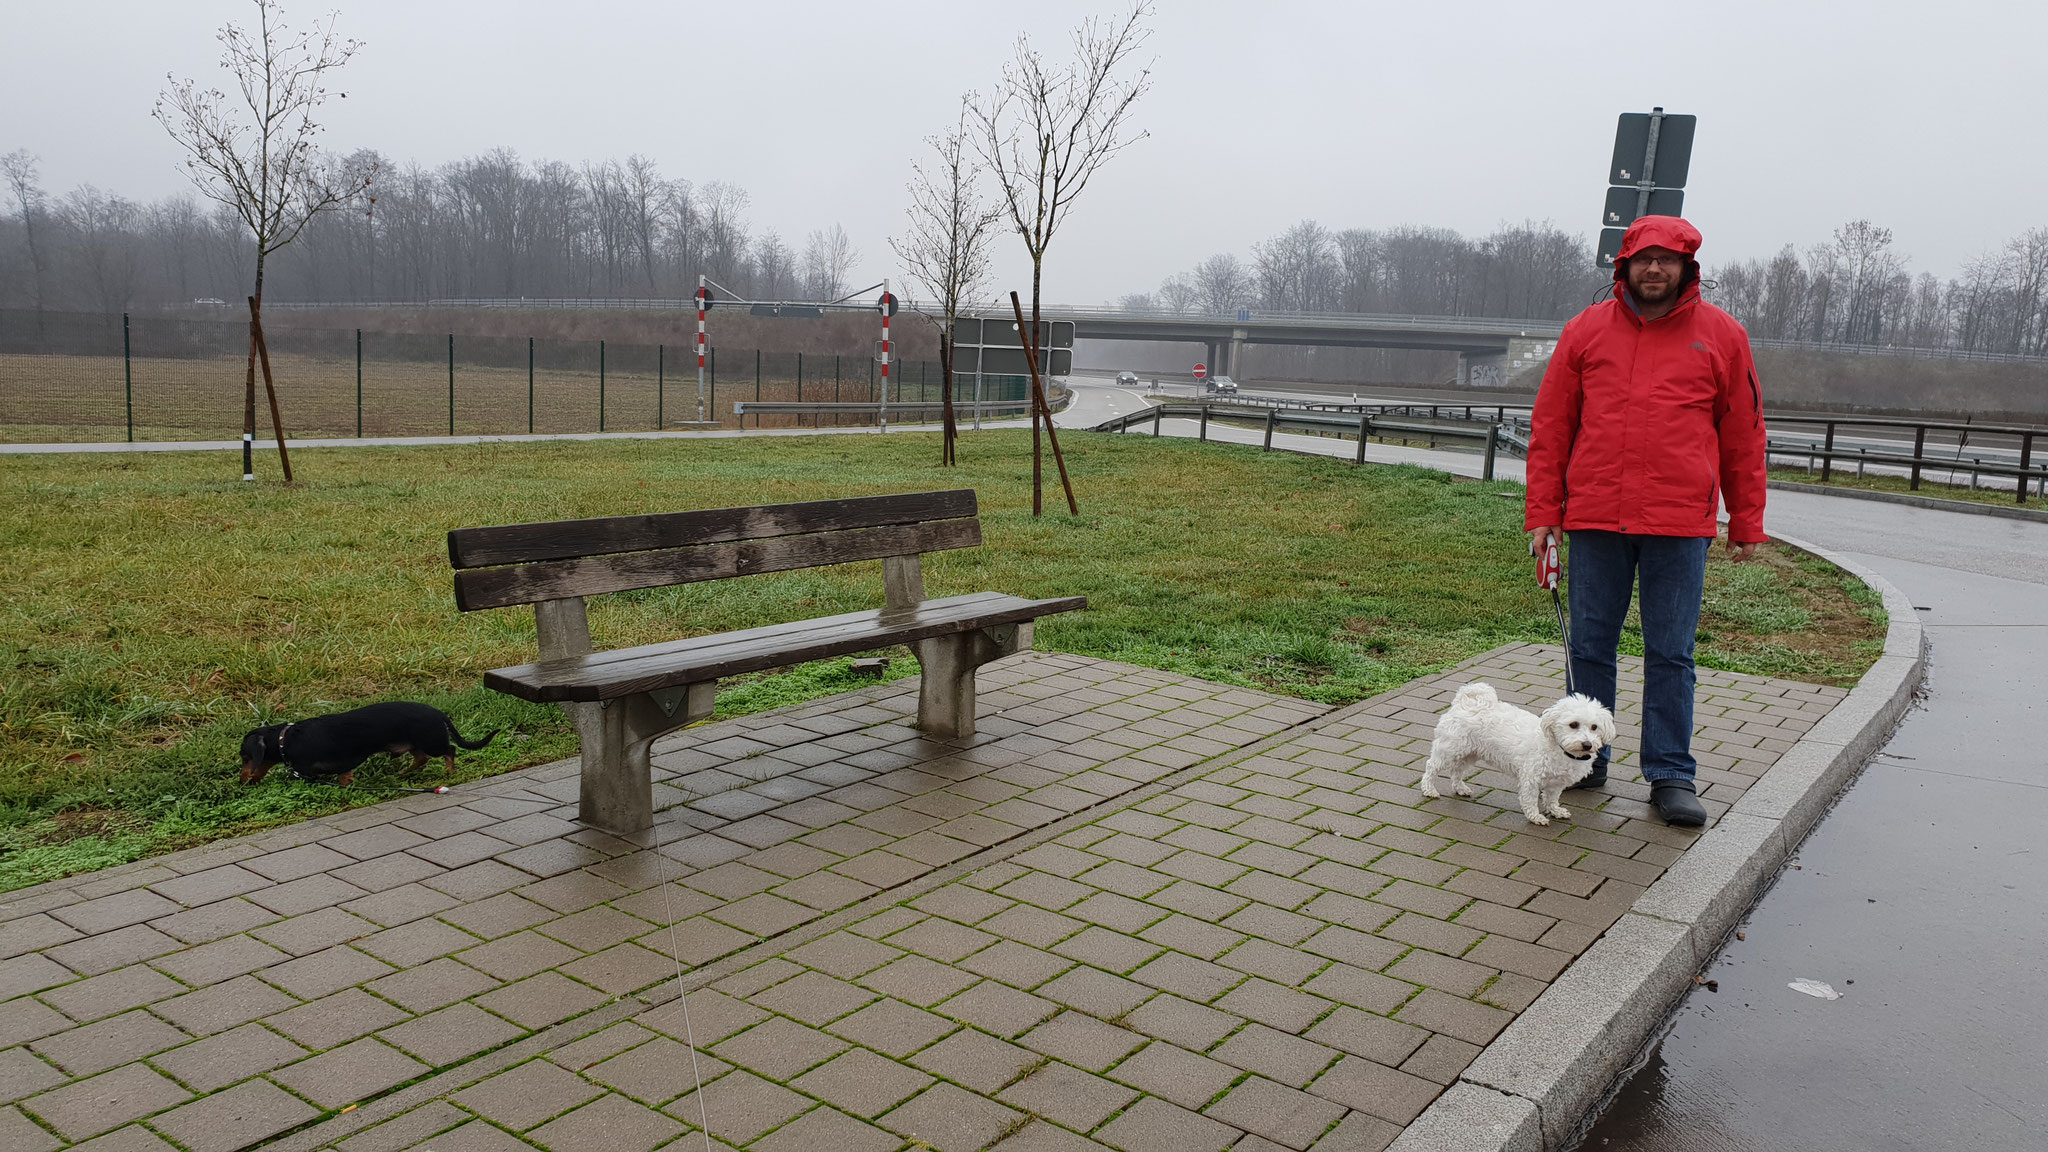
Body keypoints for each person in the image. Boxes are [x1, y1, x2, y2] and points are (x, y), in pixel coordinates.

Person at [1524, 215, 1767, 827]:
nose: (1654, 269)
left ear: (1688, 267)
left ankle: (1670, 774)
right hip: (1597, 518)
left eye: (1667, 259)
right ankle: (1589, 758)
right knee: (1590, 646)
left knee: (1671, 653)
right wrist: (1544, 512)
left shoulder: (1722, 336)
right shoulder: (1585, 331)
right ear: (1623, 265)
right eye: (1643, 259)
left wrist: (1747, 520)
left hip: (1679, 525)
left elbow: (1743, 432)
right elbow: (1553, 427)